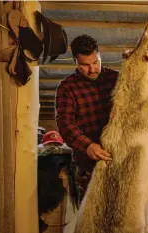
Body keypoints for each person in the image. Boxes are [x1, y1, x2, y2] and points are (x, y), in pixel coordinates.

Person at [55, 34, 118, 204]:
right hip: (87, 168)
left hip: (119, 162)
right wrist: (87, 145)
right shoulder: (67, 88)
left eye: (96, 62)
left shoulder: (117, 79)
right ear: (75, 61)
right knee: (91, 218)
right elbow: (65, 124)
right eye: (85, 65)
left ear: (99, 55)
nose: (92, 69)